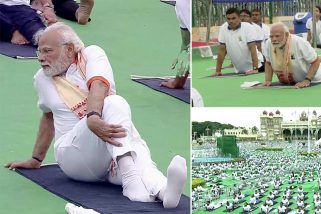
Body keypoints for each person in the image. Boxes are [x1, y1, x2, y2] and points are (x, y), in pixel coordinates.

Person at [4, 23, 187, 208]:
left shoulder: (92, 54)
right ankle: (132, 178)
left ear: (68, 50)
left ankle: (165, 192)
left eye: (46, 51)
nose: (41, 58)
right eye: (39, 52)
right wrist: (36, 159)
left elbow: (99, 85)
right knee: (115, 104)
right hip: (73, 156)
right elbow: (48, 116)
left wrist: (92, 117)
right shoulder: (42, 78)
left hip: (108, 152)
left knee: (136, 153)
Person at [262, 22, 321, 88]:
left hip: (315, 77)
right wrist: (268, 80)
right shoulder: (269, 43)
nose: (274, 39)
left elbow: (316, 61)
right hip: (290, 82)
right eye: (271, 36)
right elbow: (268, 62)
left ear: (287, 34)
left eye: (277, 36)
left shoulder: (299, 42)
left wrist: (307, 80)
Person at [214, 7, 264, 76]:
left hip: (259, 66)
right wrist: (218, 71)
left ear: (239, 18)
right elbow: (222, 51)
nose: (231, 21)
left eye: (233, 18)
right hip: (240, 70)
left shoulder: (248, 27)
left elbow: (252, 49)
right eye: (228, 19)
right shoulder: (223, 28)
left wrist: (255, 69)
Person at [161, 0, 190, 89]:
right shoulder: (181, 6)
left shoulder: (186, 7)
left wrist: (177, 82)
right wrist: (178, 81)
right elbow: (187, 43)